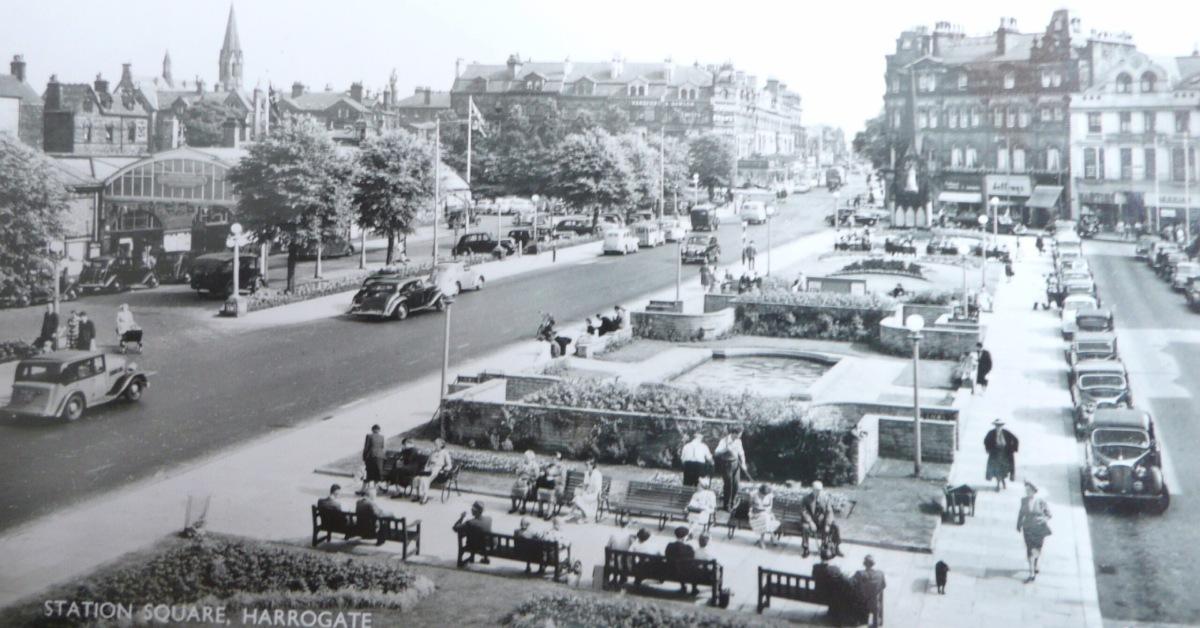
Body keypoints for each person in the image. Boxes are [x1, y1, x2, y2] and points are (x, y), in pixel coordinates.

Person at [1016, 481, 1052, 582]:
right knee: (1030, 550)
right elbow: (1021, 513)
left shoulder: (1041, 501)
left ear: (1033, 491)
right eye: (1026, 490)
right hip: (1028, 529)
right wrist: (1018, 524)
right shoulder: (1023, 500)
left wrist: (1044, 519)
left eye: (1029, 491)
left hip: (1039, 529)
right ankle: (1032, 574)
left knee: (1037, 549)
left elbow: (1049, 514)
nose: (1027, 492)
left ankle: (1035, 565)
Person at [812, 545, 855, 625]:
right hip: (831, 596)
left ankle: (832, 611)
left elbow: (814, 576)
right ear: (830, 558)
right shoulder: (834, 569)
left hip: (818, 593)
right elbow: (842, 580)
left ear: (821, 557)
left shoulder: (815, 567)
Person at [801, 480, 842, 557]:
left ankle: (836, 547)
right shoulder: (806, 499)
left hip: (822, 522)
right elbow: (804, 512)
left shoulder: (825, 498)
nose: (819, 492)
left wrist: (827, 524)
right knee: (805, 527)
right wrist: (810, 522)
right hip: (811, 521)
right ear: (812, 489)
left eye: (820, 490)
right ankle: (806, 548)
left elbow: (829, 512)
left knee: (836, 526)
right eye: (817, 490)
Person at [715, 427, 749, 511]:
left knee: (736, 485)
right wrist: (725, 449)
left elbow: (741, 453)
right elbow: (716, 452)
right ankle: (726, 505)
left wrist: (744, 463)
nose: (740, 437)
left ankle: (733, 503)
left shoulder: (738, 441)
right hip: (726, 464)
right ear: (734, 433)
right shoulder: (724, 441)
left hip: (736, 464)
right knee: (728, 485)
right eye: (739, 435)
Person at [984, 419, 1019, 491]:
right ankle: (998, 485)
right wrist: (988, 449)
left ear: (1002, 426)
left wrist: (1014, 449)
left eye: (1000, 425)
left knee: (1004, 470)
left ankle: (1002, 481)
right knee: (997, 470)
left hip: (1005, 454)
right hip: (995, 454)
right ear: (995, 426)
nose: (998, 427)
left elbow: (1016, 439)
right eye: (997, 425)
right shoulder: (991, 433)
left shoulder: (1006, 433)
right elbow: (985, 441)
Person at [564, 458, 603, 523]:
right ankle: (579, 516)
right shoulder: (587, 473)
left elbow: (597, 487)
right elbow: (585, 484)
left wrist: (587, 491)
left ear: (592, 465)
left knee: (579, 498)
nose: (586, 466)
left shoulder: (597, 474)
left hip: (595, 494)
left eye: (587, 465)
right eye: (586, 464)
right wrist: (582, 490)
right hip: (587, 493)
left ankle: (573, 514)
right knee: (578, 496)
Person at [415, 438, 453, 504]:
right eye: (435, 443)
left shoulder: (445, 452)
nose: (435, 445)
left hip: (437, 469)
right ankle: (419, 496)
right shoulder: (433, 452)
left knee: (425, 479)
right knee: (417, 478)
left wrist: (444, 470)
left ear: (441, 444)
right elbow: (428, 462)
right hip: (429, 468)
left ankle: (425, 498)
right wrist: (426, 468)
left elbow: (449, 465)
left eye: (437, 443)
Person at [853, 555, 887, 628]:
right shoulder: (880, 574)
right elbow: (883, 586)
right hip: (874, 603)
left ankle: (857, 620)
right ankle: (876, 622)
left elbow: (852, 583)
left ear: (864, 564)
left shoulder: (859, 573)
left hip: (862, 602)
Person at [663, 526, 696, 593]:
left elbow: (666, 555)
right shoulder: (688, 548)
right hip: (685, 573)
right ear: (685, 536)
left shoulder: (670, 545)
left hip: (670, 571)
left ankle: (683, 586)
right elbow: (692, 560)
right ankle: (693, 588)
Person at [749, 483, 780, 548]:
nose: (764, 496)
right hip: (755, 515)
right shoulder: (754, 494)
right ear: (760, 491)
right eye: (762, 494)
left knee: (765, 517)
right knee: (765, 517)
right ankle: (773, 536)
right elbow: (751, 506)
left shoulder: (770, 495)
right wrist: (756, 508)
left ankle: (762, 540)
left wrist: (764, 509)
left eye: (765, 494)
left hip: (766, 514)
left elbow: (770, 506)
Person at [510, 450, 541, 514]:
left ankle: (523, 507)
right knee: (513, 489)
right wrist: (520, 470)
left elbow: (537, 476)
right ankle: (514, 506)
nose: (525, 458)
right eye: (525, 457)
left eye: (526, 457)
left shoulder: (534, 465)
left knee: (525, 490)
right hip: (520, 480)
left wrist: (529, 477)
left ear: (531, 458)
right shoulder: (522, 464)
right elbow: (517, 473)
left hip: (530, 481)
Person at [361, 424, 386, 495]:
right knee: (377, 473)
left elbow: (366, 447)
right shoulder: (382, 437)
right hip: (381, 457)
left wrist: (364, 457)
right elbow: (382, 446)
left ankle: (363, 490)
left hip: (372, 456)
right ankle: (375, 490)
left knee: (368, 472)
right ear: (379, 430)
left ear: (372, 430)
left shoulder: (369, 436)